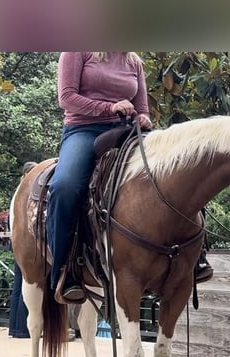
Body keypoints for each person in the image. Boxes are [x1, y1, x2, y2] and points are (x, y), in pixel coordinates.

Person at [49, 52, 154, 304]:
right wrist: (109, 107)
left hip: (126, 132)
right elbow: (66, 98)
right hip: (84, 130)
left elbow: (143, 109)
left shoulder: (134, 61)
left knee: (176, 165)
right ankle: (64, 269)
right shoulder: (76, 51)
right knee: (65, 186)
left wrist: (143, 117)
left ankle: (192, 256)